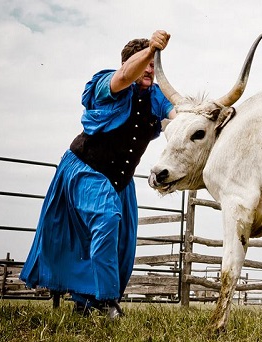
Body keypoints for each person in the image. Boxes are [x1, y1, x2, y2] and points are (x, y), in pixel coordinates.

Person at [20, 30, 177, 318]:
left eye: (155, 64)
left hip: (121, 179)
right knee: (106, 217)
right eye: (146, 62)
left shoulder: (156, 96)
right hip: (86, 167)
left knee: (122, 243)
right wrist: (149, 49)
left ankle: (84, 301)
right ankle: (105, 302)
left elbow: (176, 118)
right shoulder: (108, 81)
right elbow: (122, 79)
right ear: (131, 62)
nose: (151, 69)